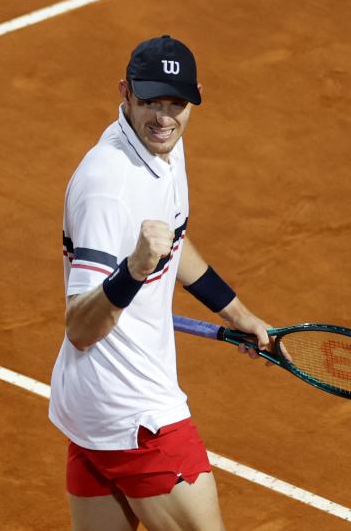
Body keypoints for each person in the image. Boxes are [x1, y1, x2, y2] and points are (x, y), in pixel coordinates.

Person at [49, 35, 273, 531]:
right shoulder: (110, 186)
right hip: (135, 411)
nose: (164, 116)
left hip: (93, 406)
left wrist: (236, 313)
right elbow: (80, 326)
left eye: (177, 102)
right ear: (125, 92)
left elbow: (171, 241)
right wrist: (133, 270)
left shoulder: (163, 147)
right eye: (151, 101)